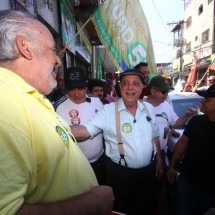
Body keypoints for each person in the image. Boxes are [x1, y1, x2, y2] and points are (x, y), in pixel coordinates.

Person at [0, 10, 114, 215]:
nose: (59, 61)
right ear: (24, 47)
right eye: (53, 50)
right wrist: (93, 203)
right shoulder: (5, 104)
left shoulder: (25, 97)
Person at [70, 69, 163, 215]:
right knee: (120, 210)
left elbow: (155, 136)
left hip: (147, 174)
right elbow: (85, 131)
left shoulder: (149, 108)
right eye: (125, 83)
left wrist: (159, 161)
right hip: (120, 176)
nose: (130, 88)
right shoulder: (107, 111)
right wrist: (55, 128)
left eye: (135, 84)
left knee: (146, 208)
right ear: (119, 87)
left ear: (141, 87)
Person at [145, 75, 196, 213]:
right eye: (163, 92)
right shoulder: (140, 106)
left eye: (167, 91)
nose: (166, 95)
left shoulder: (166, 106)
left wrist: (186, 116)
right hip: (144, 155)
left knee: (162, 187)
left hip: (161, 153)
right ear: (153, 90)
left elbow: (175, 123)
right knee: (146, 190)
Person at [167, 83, 215, 214]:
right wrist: (172, 166)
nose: (202, 101)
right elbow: (182, 144)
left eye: (208, 100)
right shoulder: (196, 121)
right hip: (188, 183)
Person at [54, 67, 106, 184]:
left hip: (99, 161)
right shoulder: (58, 107)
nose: (76, 93)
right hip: (74, 166)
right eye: (72, 89)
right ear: (66, 89)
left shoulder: (96, 101)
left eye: (80, 88)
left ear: (86, 87)